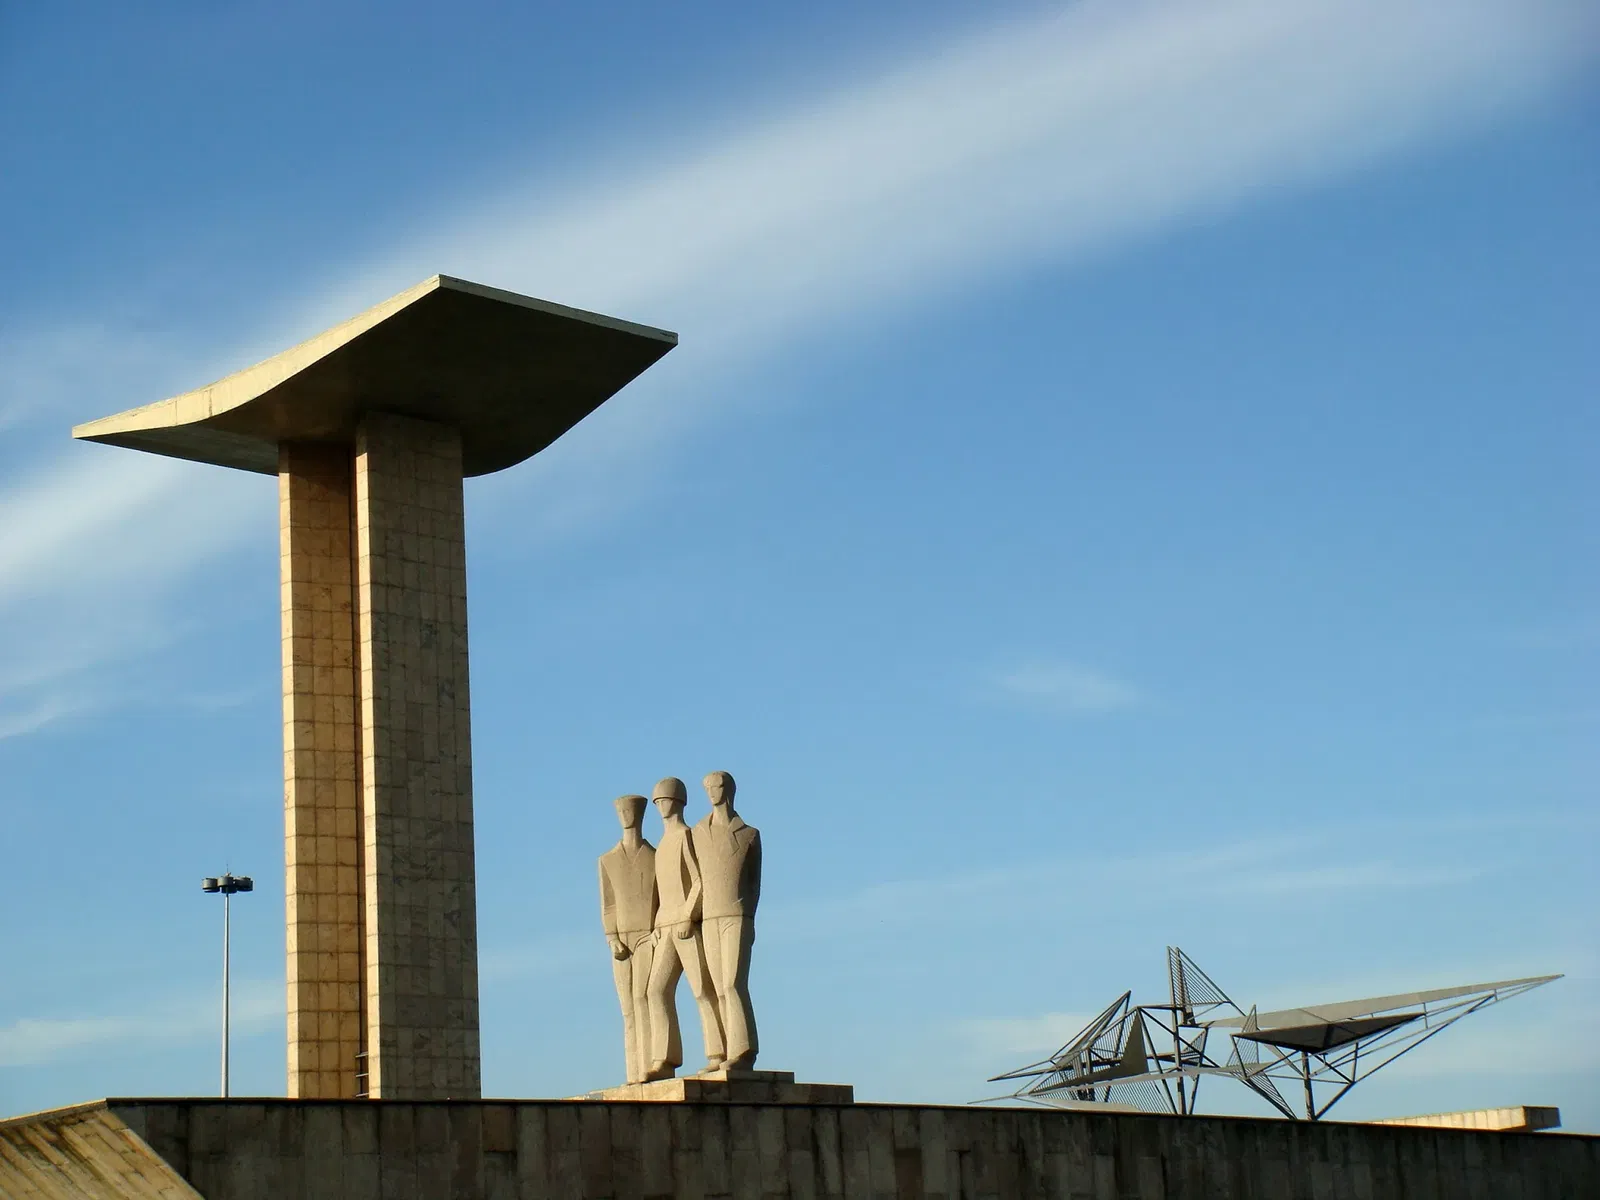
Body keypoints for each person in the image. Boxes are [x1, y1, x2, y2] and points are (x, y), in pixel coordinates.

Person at [644, 776, 725, 1078]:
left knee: (702, 989)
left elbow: (699, 880)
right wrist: (656, 925)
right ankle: (664, 1059)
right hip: (664, 928)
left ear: (678, 802)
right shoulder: (662, 844)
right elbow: (662, 892)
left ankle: (718, 1052)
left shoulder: (686, 836)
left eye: (665, 800)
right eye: (658, 802)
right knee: (656, 991)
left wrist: (689, 915)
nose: (661, 807)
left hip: (684, 926)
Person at [691, 770, 761, 1070]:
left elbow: (754, 884)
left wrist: (750, 917)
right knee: (717, 985)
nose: (711, 792)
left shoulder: (749, 834)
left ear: (729, 789)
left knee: (733, 983)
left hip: (736, 915)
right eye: (706, 787)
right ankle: (719, 1052)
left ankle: (744, 1050)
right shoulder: (696, 832)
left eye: (716, 786)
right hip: (709, 918)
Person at [597, 794, 656, 1083]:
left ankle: (649, 1065)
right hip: (620, 941)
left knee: (644, 998)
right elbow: (608, 904)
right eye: (621, 812)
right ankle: (633, 1070)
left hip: (648, 936)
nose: (626, 816)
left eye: (630, 812)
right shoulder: (607, 860)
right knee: (628, 1009)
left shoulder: (654, 856)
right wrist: (611, 937)